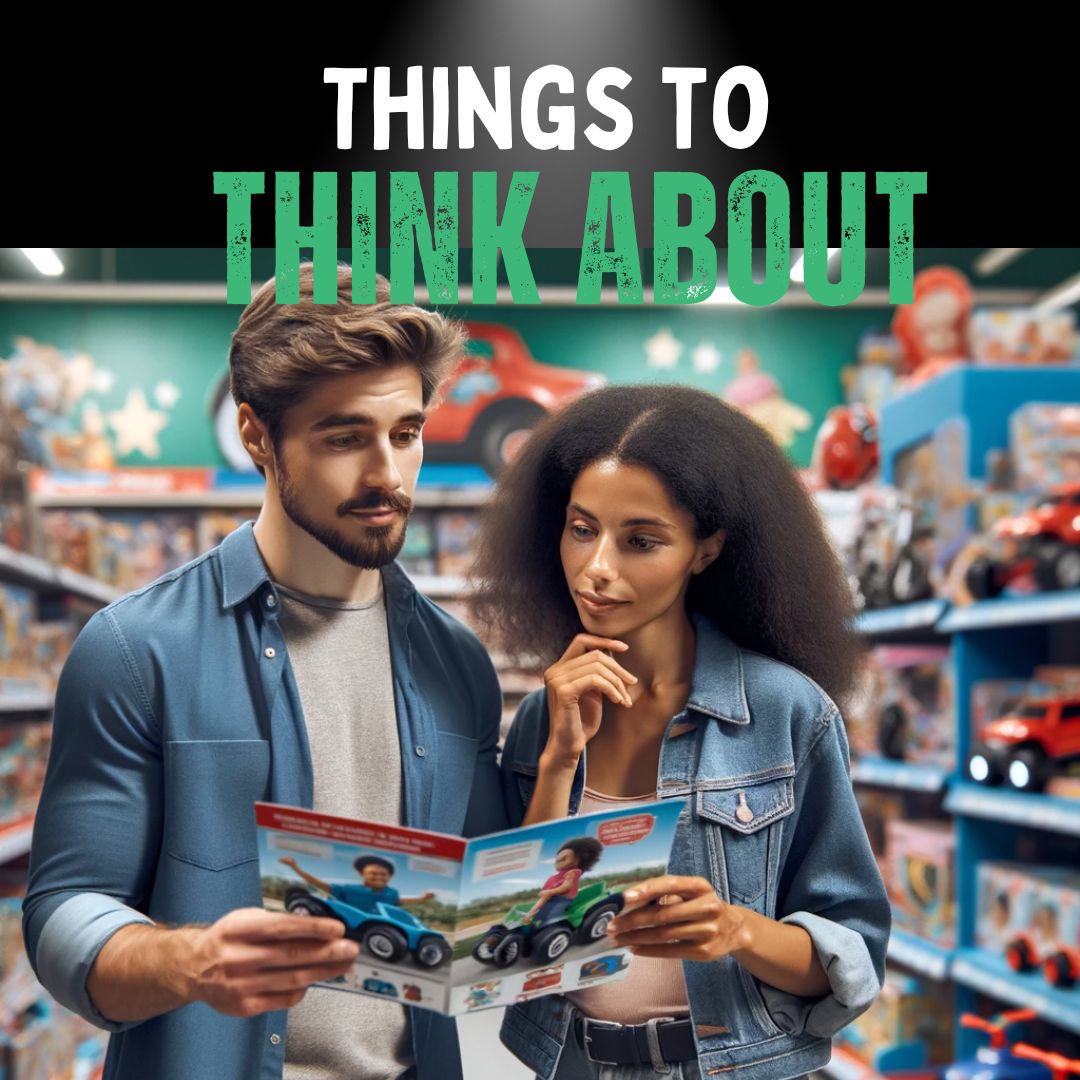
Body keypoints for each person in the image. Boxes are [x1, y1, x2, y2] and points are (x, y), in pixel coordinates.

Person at [22, 264, 508, 1080]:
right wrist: (191, 961)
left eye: (407, 432)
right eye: (346, 437)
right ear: (256, 435)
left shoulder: (458, 666)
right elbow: (63, 914)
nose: (388, 474)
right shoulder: (136, 650)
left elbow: (477, 933)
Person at [469, 384, 891, 1080]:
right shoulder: (549, 714)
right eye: (582, 529)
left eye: (641, 541)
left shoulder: (787, 712)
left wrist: (734, 929)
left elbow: (854, 959)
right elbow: (514, 942)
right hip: (571, 1062)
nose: (598, 567)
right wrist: (556, 764)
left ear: (705, 549)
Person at [278, 853, 435, 911]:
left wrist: (423, 898)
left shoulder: (391, 894)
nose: (379, 877)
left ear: (390, 877)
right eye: (373, 874)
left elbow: (401, 901)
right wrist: (295, 867)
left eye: (383, 874)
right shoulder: (349, 889)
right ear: (362, 874)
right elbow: (319, 884)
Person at [522, 838, 603, 924]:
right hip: (553, 896)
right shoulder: (553, 878)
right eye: (557, 860)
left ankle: (548, 922)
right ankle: (531, 916)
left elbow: (566, 887)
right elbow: (544, 897)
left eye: (564, 859)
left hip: (563, 898)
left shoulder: (574, 872)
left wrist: (550, 891)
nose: (558, 862)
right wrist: (532, 911)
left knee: (552, 914)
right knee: (543, 904)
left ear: (580, 860)